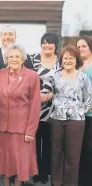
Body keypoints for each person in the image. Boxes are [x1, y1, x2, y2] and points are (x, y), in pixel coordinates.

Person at [0, 43, 41, 186]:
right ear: (6, 58)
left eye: (17, 56)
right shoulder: (0, 74)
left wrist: (30, 130)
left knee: (19, 165)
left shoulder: (32, 76)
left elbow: (35, 105)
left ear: (23, 58)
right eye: (11, 56)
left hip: (22, 129)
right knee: (5, 163)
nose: (14, 59)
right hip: (2, 127)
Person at [49, 45, 92, 186]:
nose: (67, 60)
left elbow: (88, 98)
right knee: (56, 153)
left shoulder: (83, 77)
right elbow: (52, 94)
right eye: (65, 58)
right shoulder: (55, 76)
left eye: (71, 58)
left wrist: (80, 111)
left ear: (76, 60)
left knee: (73, 155)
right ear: (61, 60)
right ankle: (56, 182)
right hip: (56, 119)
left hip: (76, 121)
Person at [31, 33, 60, 184]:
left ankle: (44, 173)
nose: (47, 45)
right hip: (34, 106)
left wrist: (50, 95)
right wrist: (37, 95)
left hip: (53, 107)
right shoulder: (34, 59)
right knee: (34, 142)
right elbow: (28, 79)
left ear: (56, 45)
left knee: (48, 141)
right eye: (44, 43)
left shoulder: (61, 61)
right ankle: (35, 172)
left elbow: (65, 80)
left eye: (50, 43)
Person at [76, 36, 92, 186]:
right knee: (79, 147)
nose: (81, 49)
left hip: (90, 114)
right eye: (78, 47)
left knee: (89, 147)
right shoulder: (78, 65)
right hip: (78, 114)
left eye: (84, 46)